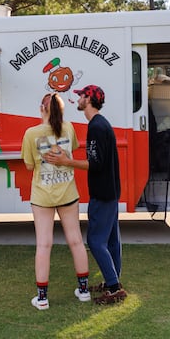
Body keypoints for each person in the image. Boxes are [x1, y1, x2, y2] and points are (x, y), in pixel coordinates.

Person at [44, 85, 127, 305]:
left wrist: (66, 161)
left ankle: (114, 287)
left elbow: (96, 164)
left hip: (103, 192)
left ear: (88, 99)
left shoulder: (97, 127)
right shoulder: (101, 124)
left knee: (96, 240)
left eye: (81, 95)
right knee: (111, 240)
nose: (78, 98)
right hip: (111, 190)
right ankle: (113, 281)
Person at [21, 93, 91, 310]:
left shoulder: (31, 134)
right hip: (68, 193)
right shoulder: (69, 128)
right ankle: (84, 290)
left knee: (43, 244)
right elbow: (76, 148)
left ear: (42, 108)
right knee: (77, 241)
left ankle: (42, 298)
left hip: (42, 196)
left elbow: (30, 166)